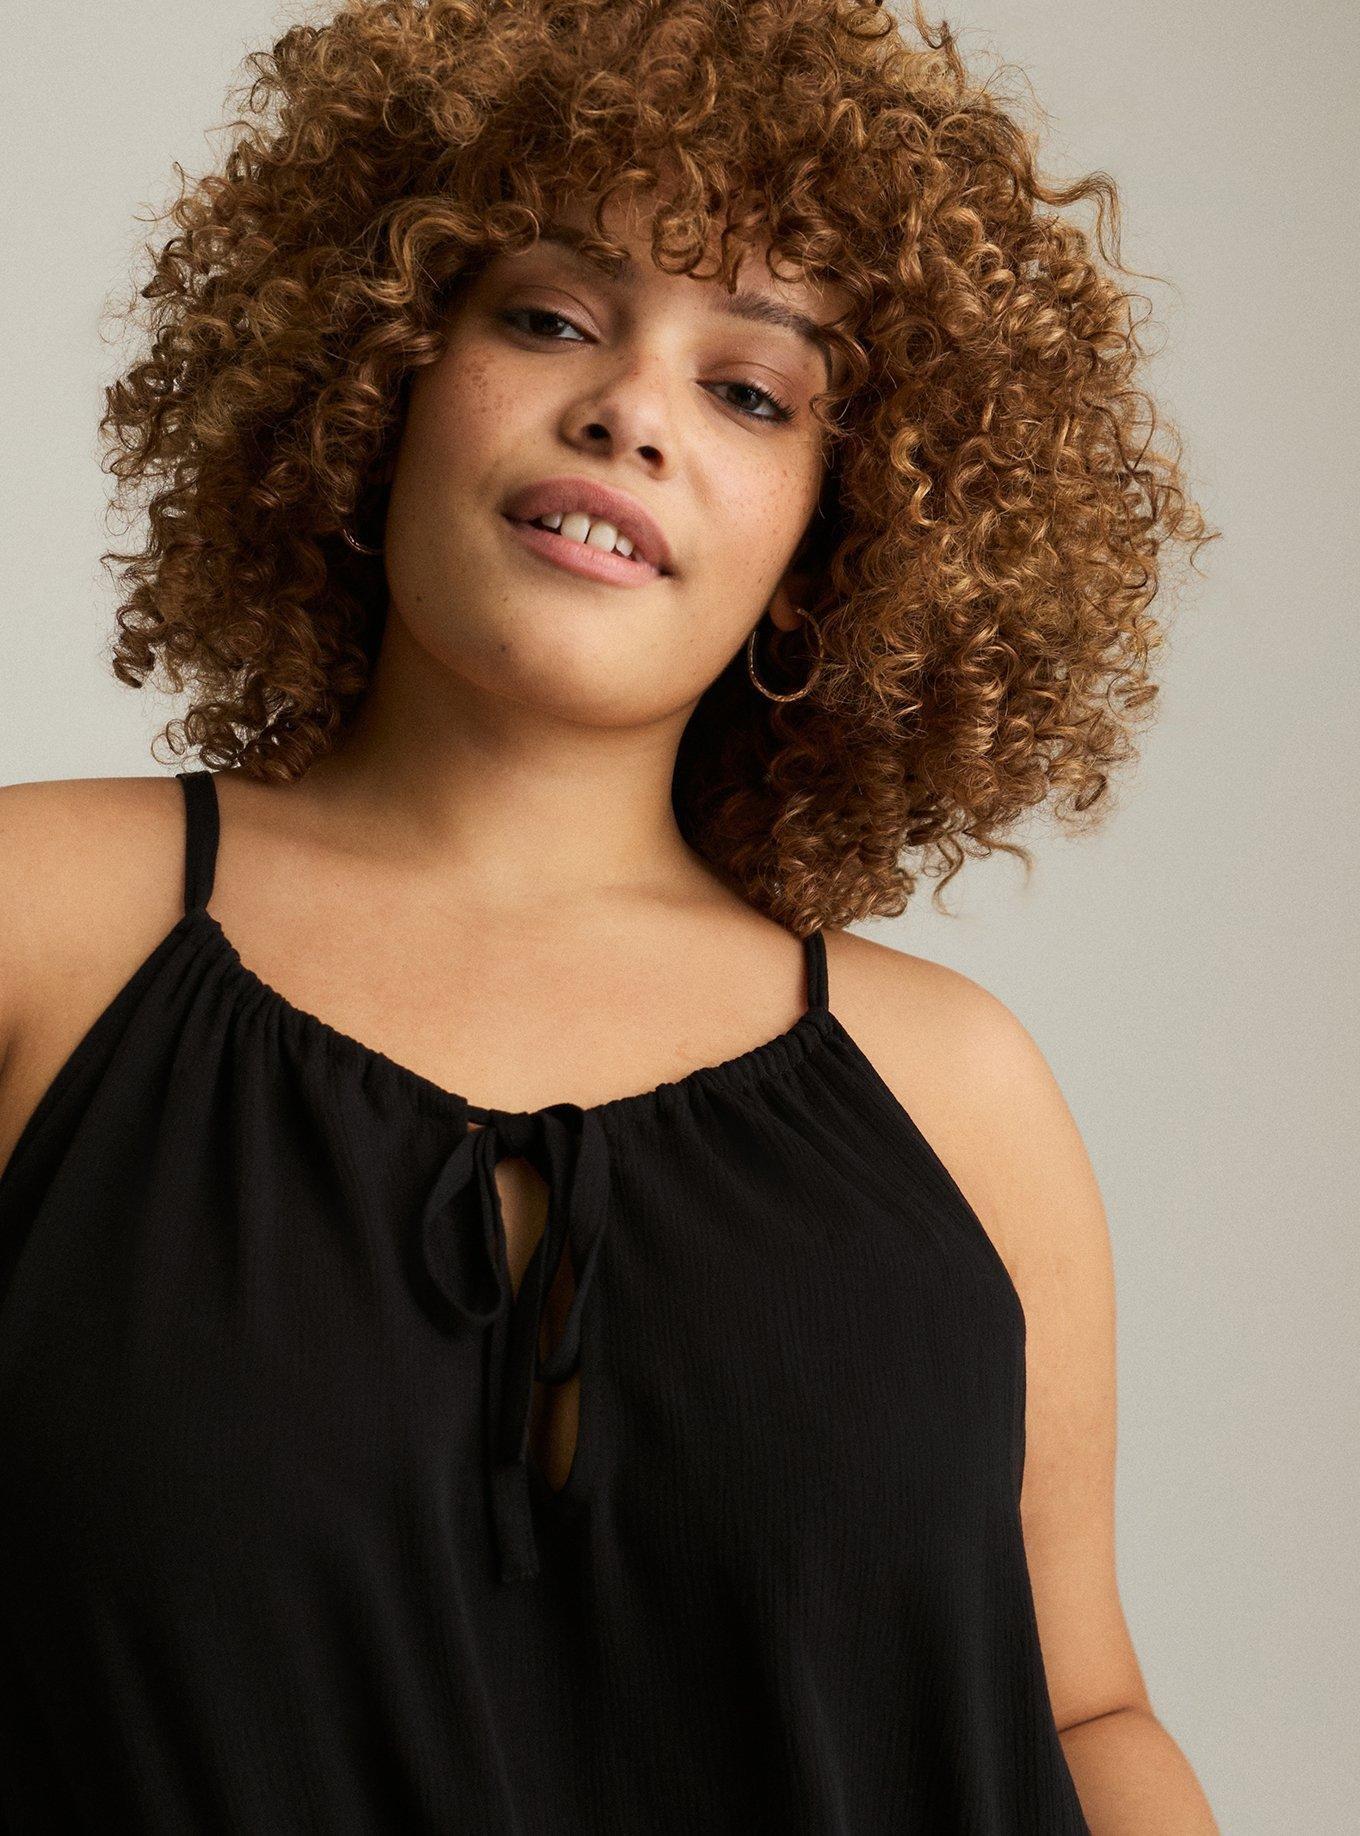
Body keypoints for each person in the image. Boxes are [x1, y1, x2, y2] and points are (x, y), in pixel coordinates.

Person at [0, 0, 1220, 1829]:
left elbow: (1087, 1713)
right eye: (551, 317)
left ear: (834, 540)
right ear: (382, 373)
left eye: (751, 391)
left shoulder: (955, 1093)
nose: (629, 412)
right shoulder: (41, 930)